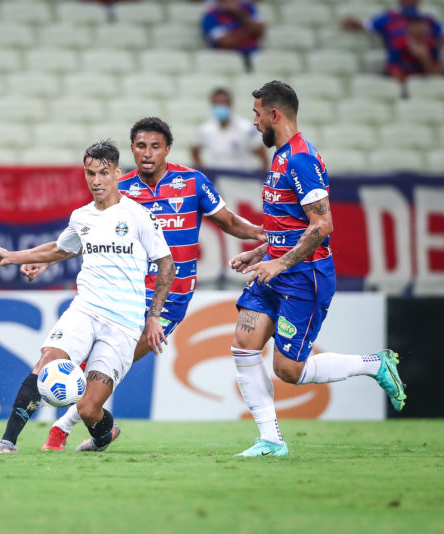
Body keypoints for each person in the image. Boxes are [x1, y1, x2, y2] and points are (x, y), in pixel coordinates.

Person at [23, 117, 266, 450]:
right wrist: (42, 260)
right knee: (89, 365)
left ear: (167, 149)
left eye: (155, 146)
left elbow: (229, 222)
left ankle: (62, 429)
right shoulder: (121, 188)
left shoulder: (192, 182)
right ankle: (81, 428)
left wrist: (263, 234)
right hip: (124, 295)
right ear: (132, 150)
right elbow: (85, 235)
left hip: (169, 299)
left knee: (110, 368)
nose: (147, 153)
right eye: (140, 146)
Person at [229, 81, 406, 457]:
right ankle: (271, 441)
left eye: (258, 114)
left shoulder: (300, 159)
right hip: (274, 272)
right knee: (244, 345)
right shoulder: (281, 156)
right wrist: (262, 251)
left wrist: (280, 261)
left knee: (288, 371)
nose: (255, 121)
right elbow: (292, 224)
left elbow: (322, 225)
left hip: (303, 277)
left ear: (275, 115)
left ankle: (374, 365)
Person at [0, 140, 175, 454]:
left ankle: (104, 433)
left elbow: (167, 264)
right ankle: (7, 441)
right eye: (90, 173)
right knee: (46, 362)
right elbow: (60, 248)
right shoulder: (81, 217)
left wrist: (153, 317)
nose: (96, 181)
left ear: (116, 173)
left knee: (88, 409)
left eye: (103, 173)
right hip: (85, 309)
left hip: (123, 324)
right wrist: (12, 257)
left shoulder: (139, 216)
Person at [342, 0, 442, 82]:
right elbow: (366, 26)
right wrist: (353, 24)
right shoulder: (389, 20)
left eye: (422, 27)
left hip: (425, 80)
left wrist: (425, 58)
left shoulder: (430, 22)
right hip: (402, 78)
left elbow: (436, 78)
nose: (420, 30)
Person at [191, 87, 269, 172]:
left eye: (223, 103)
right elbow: (194, 151)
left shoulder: (246, 129)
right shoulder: (205, 130)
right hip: (217, 182)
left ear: (230, 104)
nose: (220, 107)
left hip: (242, 182)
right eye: (216, 104)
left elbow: (263, 157)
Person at [201, 0, 266, 71]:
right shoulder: (210, 16)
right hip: (227, 60)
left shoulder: (248, 8)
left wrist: (239, 14)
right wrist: (249, 30)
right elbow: (225, 42)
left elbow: (260, 30)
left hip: (254, 54)